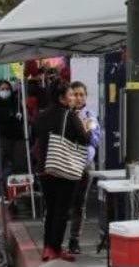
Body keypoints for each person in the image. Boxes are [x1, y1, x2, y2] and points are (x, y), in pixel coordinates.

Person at [33, 80, 90, 262]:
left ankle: (47, 247)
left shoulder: (42, 115)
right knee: (62, 210)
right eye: (71, 95)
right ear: (62, 98)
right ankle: (55, 248)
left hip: (44, 168)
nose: (74, 98)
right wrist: (86, 126)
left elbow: (35, 135)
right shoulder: (70, 116)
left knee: (50, 210)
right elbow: (84, 139)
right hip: (63, 168)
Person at [66, 81, 100, 255]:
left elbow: (94, 140)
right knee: (64, 203)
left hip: (84, 165)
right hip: (64, 164)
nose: (78, 98)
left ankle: (74, 240)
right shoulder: (64, 115)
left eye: (81, 94)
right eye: (75, 94)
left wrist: (83, 126)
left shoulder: (90, 115)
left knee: (79, 204)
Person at [0, 79, 25, 183]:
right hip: (1, 141)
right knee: (5, 168)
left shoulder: (16, 103)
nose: (5, 91)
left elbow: (22, 121)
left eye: (7, 89)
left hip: (17, 140)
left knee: (19, 167)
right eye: (2, 89)